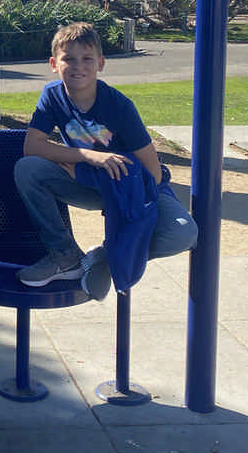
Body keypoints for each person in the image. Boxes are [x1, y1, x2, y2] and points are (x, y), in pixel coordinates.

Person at [12, 22, 198, 300]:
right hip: (88, 181)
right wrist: (88, 157)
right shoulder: (52, 96)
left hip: (137, 186)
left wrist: (126, 207)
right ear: (53, 63)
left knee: (183, 233)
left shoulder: (119, 106)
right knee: (27, 169)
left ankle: (106, 256)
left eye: (87, 59)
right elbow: (32, 147)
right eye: (69, 59)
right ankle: (64, 255)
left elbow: (152, 168)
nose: (78, 66)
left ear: (100, 63)